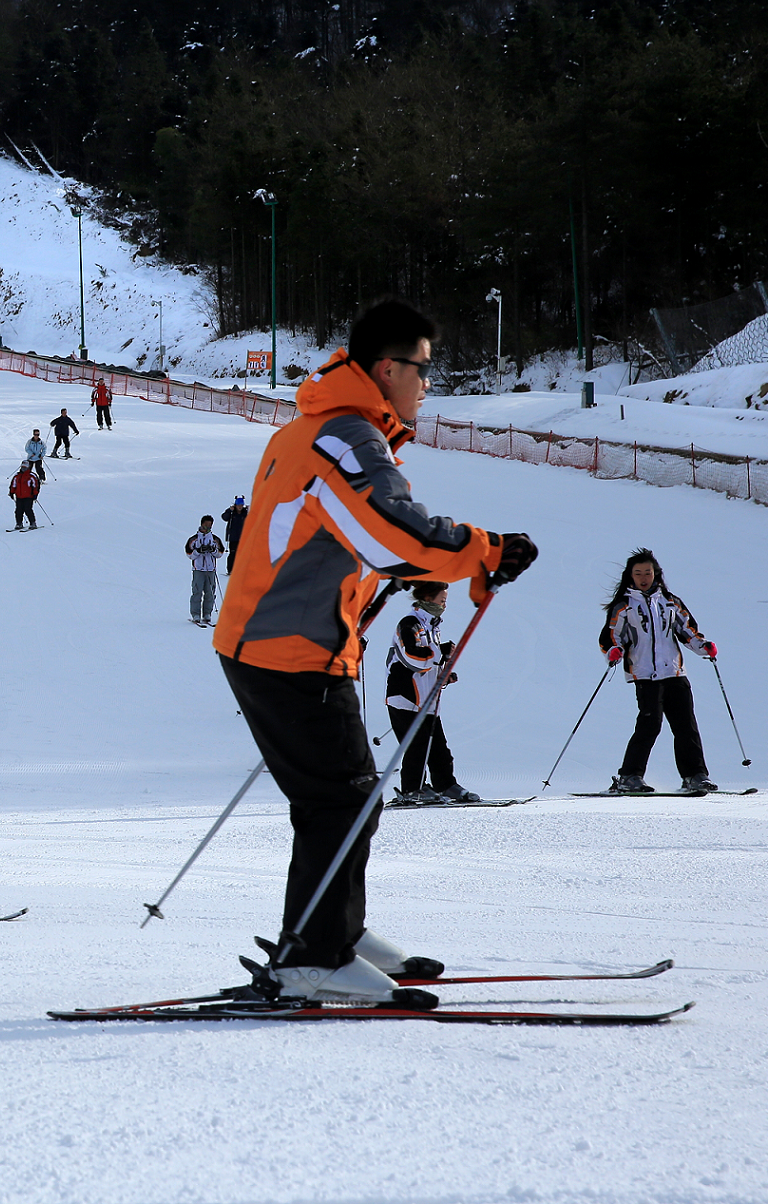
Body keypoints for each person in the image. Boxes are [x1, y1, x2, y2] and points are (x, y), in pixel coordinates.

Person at [213, 299, 537, 1006]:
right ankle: (312, 956)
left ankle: (335, 931)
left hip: (281, 640)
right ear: (387, 369)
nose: (427, 383)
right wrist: (486, 550)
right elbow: (392, 534)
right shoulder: (345, 436)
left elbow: (345, 540)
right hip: (288, 648)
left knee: (344, 795)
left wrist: (404, 576)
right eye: (422, 368)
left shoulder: (318, 426)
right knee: (342, 798)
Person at [600, 549, 717, 792]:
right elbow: (611, 636)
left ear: (656, 574)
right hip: (645, 674)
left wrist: (703, 646)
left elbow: (687, 630)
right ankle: (629, 776)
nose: (644, 578)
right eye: (638, 573)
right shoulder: (624, 606)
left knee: (686, 726)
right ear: (630, 576)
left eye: (648, 572)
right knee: (650, 725)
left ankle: (695, 776)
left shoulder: (670, 601)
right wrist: (613, 651)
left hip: (675, 672)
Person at [384, 582, 478, 804]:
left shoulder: (431, 626)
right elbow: (411, 657)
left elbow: (429, 662)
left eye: (445, 601)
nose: (444, 606)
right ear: (427, 598)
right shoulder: (409, 624)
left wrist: (443, 674)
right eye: (441, 600)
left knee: (438, 747)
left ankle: (445, 785)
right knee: (417, 746)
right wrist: (440, 651)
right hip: (405, 698)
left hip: (427, 699)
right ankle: (412, 789)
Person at [9, 463, 42, 530]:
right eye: (22, 467)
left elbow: (35, 486)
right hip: (19, 496)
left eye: (25, 467)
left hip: (28, 496)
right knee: (18, 510)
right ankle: (19, 523)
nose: (23, 469)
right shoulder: (17, 476)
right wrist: (11, 492)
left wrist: (35, 494)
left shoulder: (31, 475)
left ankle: (32, 523)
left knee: (28, 509)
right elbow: (13, 485)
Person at [221, 495, 249, 573]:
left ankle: (241, 569)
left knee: (243, 554)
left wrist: (250, 509)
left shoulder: (245, 513)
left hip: (243, 537)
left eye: (241, 505)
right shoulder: (232, 513)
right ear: (235, 505)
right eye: (238, 505)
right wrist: (229, 510)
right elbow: (224, 517)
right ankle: (230, 569)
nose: (240, 507)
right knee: (232, 554)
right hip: (233, 537)